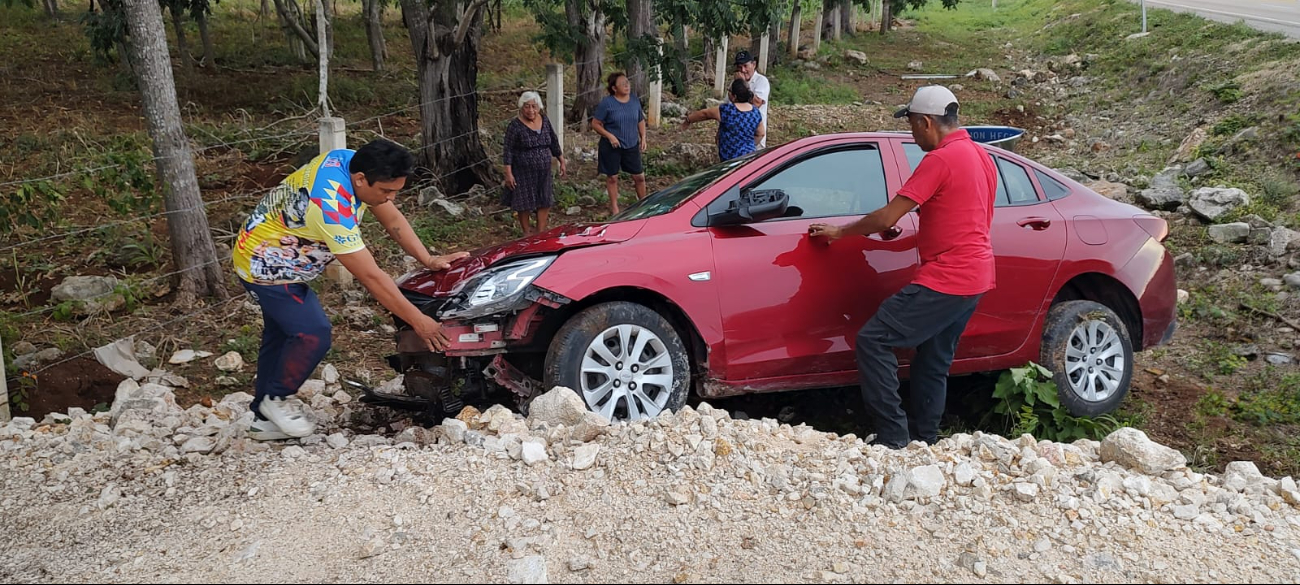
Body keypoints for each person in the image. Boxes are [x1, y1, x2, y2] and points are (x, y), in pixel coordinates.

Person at [232, 139, 469, 441]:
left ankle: (263, 419)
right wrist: (417, 321)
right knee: (312, 332)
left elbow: (390, 214)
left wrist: (428, 258)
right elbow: (371, 276)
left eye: (397, 190)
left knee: (280, 335)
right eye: (386, 190)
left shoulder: (347, 160)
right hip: (267, 265)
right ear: (360, 179)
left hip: (265, 246)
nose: (390, 198)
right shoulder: (331, 209)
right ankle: (277, 399)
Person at [808, 85, 997, 449]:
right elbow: (964, 208)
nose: (911, 133)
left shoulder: (939, 159)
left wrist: (840, 231)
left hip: (948, 276)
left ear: (927, 122)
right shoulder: (980, 156)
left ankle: (894, 435)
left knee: (874, 340)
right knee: (933, 361)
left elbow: (885, 216)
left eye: (911, 125)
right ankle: (924, 440)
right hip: (977, 276)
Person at [503, 91, 567, 235]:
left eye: (534, 106)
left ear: (539, 107)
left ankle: (540, 231)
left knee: (544, 198)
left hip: (544, 169)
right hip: (523, 170)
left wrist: (561, 160)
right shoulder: (515, 126)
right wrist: (508, 173)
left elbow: (553, 140)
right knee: (524, 201)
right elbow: (508, 150)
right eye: (527, 106)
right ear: (521, 107)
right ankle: (526, 232)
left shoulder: (544, 120)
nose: (531, 110)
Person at [591, 72, 647, 215]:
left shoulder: (634, 100)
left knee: (639, 177)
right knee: (612, 178)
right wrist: (610, 136)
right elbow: (596, 124)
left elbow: (640, 120)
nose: (626, 85)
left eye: (627, 82)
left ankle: (644, 204)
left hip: (631, 144)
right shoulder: (607, 103)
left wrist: (643, 138)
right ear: (614, 88)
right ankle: (614, 208)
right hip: (612, 146)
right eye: (622, 84)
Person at [682, 78, 766, 161]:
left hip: (730, 159)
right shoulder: (755, 112)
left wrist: (688, 120)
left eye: (729, 90)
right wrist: (748, 145)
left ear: (734, 96)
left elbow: (704, 114)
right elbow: (761, 134)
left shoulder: (727, 110)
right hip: (749, 157)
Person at [733, 50, 771, 149]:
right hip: (736, 137)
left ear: (753, 64)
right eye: (740, 67)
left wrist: (743, 85)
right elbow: (729, 103)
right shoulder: (735, 82)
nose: (743, 70)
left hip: (755, 136)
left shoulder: (761, 81)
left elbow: (757, 103)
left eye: (746, 66)